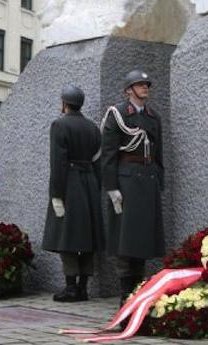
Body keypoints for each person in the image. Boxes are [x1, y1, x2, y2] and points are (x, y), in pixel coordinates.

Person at [101, 70, 165, 305]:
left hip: (147, 182)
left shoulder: (153, 117)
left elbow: (158, 154)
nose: (145, 87)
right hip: (126, 183)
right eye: (140, 84)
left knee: (142, 241)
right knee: (125, 243)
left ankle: (138, 294)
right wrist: (111, 187)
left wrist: (159, 179)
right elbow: (108, 154)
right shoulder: (117, 115)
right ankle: (125, 298)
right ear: (129, 90)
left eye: (146, 84)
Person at [42, 85, 104, 302]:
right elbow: (98, 161)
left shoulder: (59, 125)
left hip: (69, 183)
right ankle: (83, 288)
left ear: (64, 103)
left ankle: (70, 288)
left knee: (66, 236)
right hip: (90, 183)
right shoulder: (93, 127)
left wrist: (56, 193)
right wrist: (97, 187)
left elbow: (57, 163)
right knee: (88, 238)